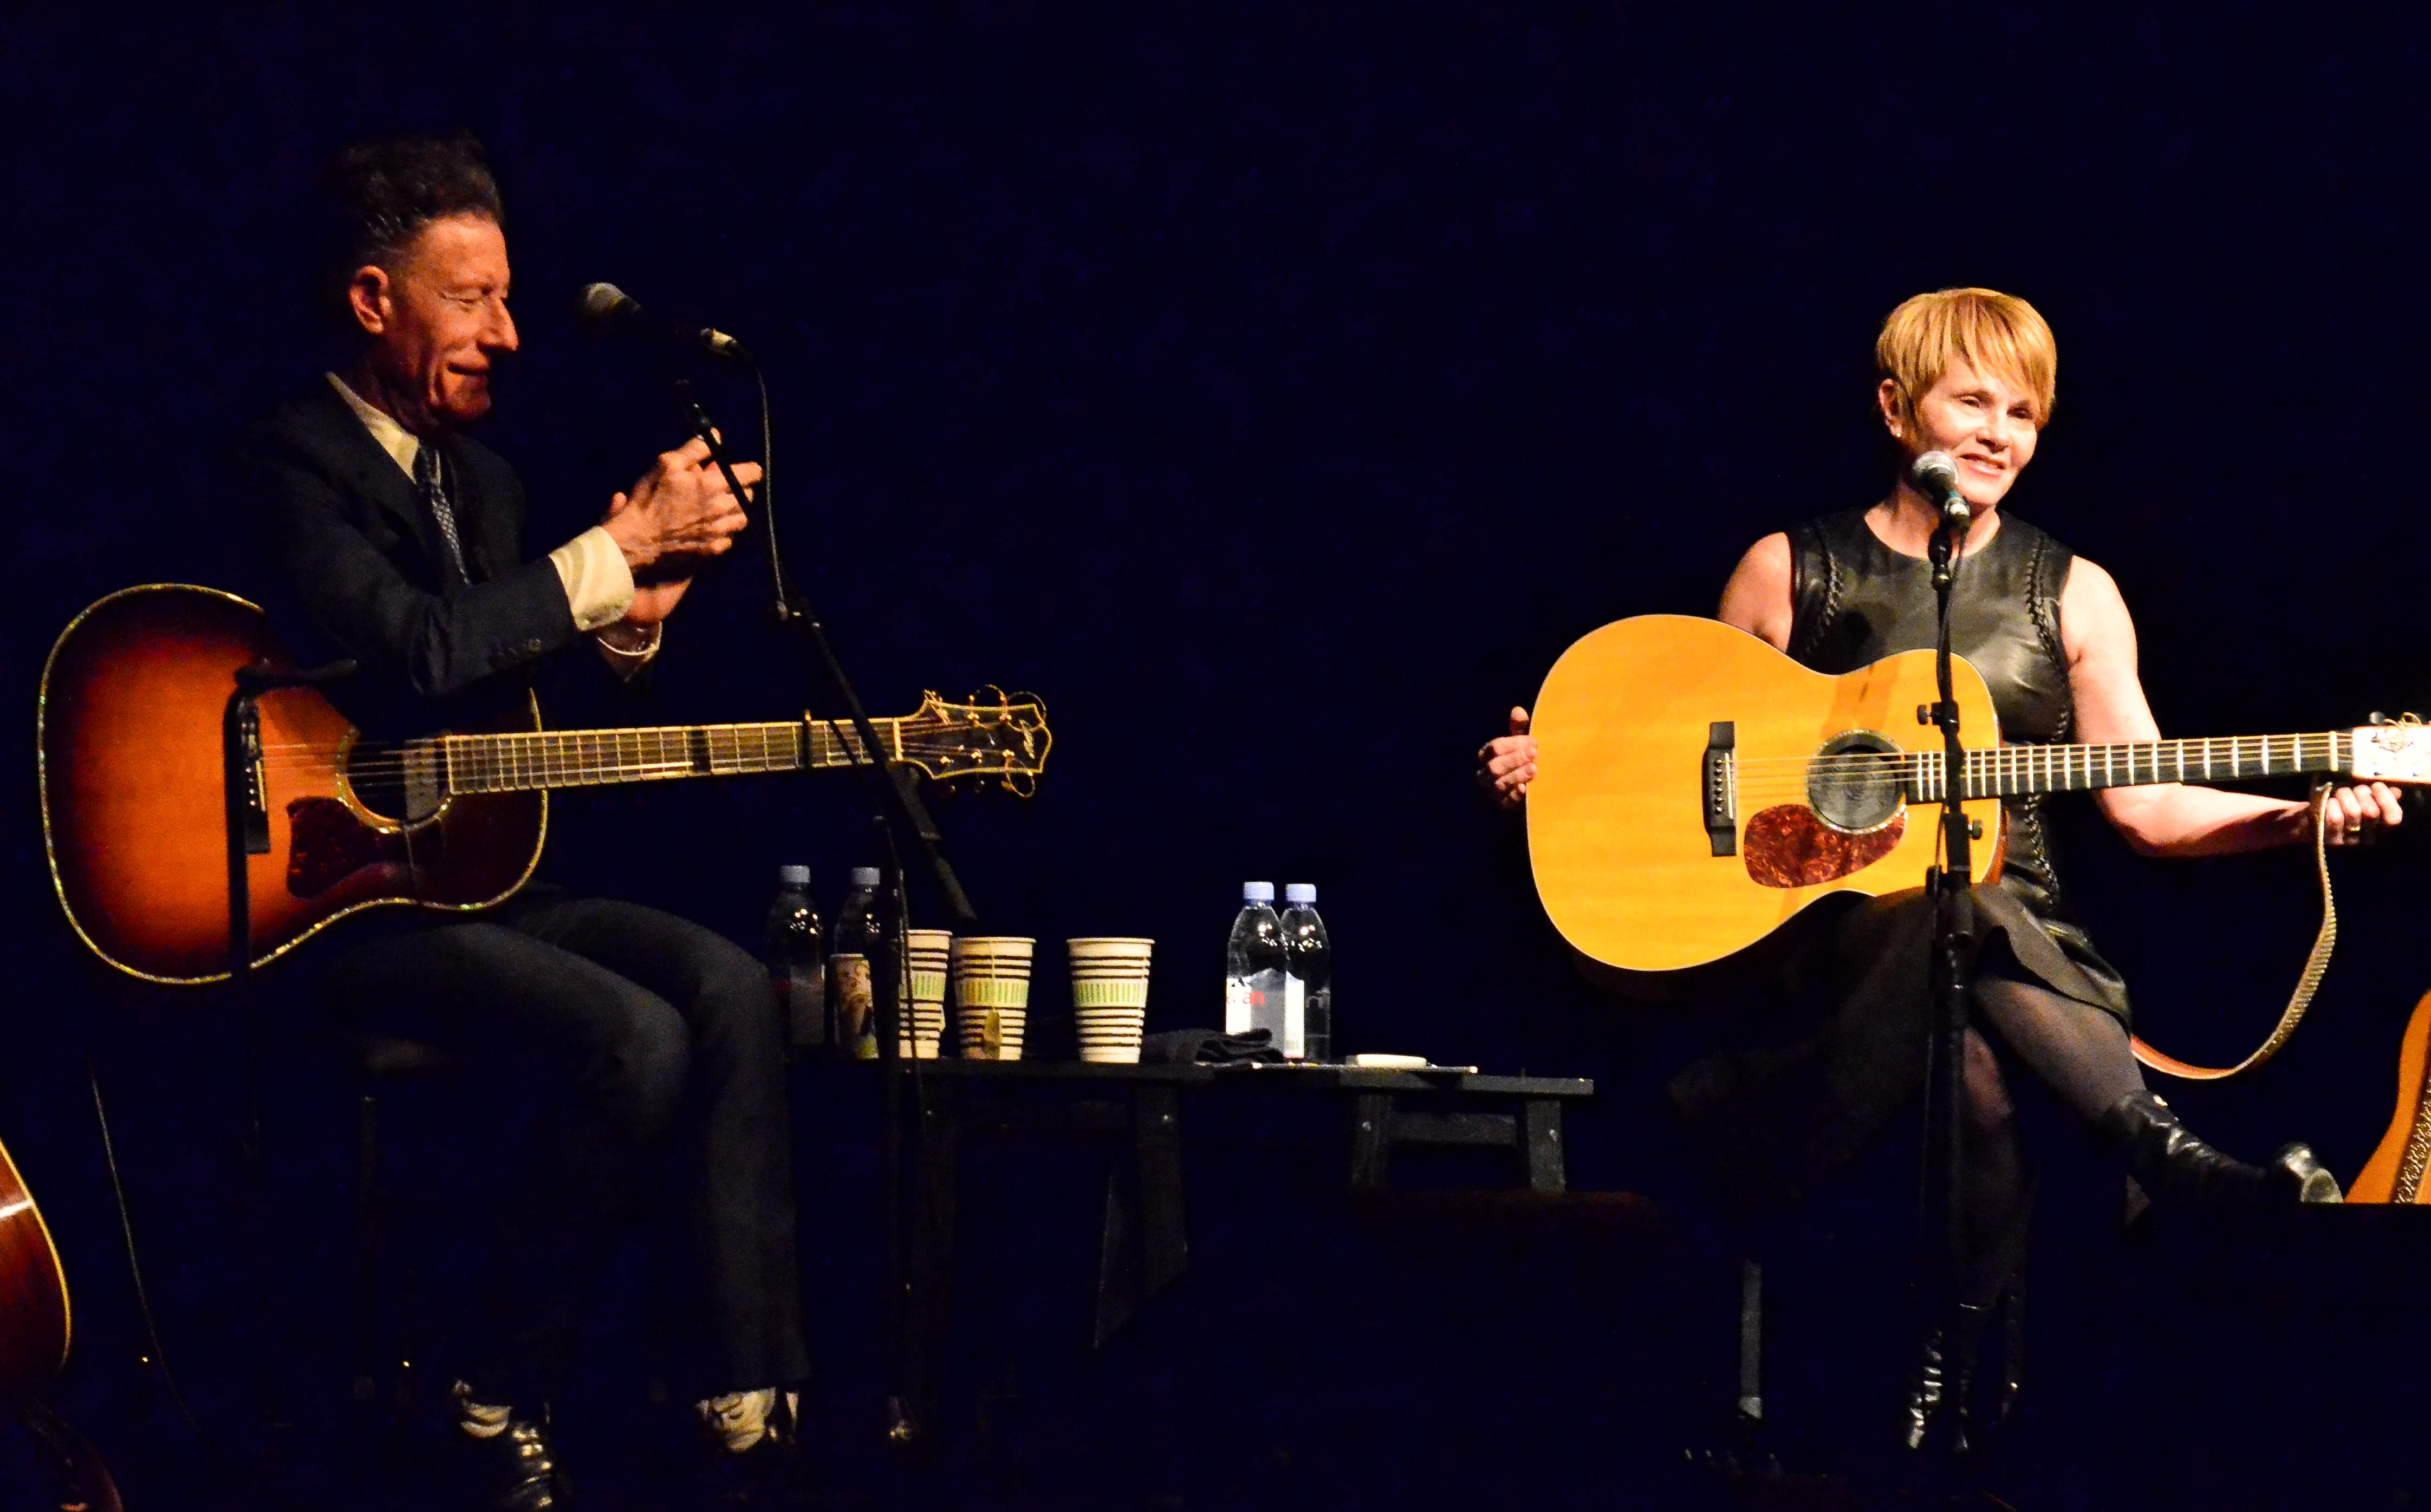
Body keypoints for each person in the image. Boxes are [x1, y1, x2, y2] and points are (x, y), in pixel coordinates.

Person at [1476, 286, 2395, 1446]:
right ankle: (2162, 1163)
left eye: (2025, 412)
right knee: (1939, 908)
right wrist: (1558, 762)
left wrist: (2302, 818)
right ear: (1896, 406)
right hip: (1815, 983)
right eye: (1973, 399)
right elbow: (1682, 748)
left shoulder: (2072, 592)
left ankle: (1950, 1394)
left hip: (2023, 968)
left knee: (1971, 992)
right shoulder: (1787, 571)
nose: (2001, 432)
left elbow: (2150, 802)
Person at [231, 133, 802, 1509]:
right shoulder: (288, 459)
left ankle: (749, 1405)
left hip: (474, 879)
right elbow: (421, 650)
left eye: (507, 298)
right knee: (630, 1033)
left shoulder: (481, 484)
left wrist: (632, 623)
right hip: (329, 903)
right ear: (376, 301)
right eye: (472, 298)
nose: (510, 332)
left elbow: (507, 695)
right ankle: (489, 1387)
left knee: (728, 984)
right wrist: (614, 553)